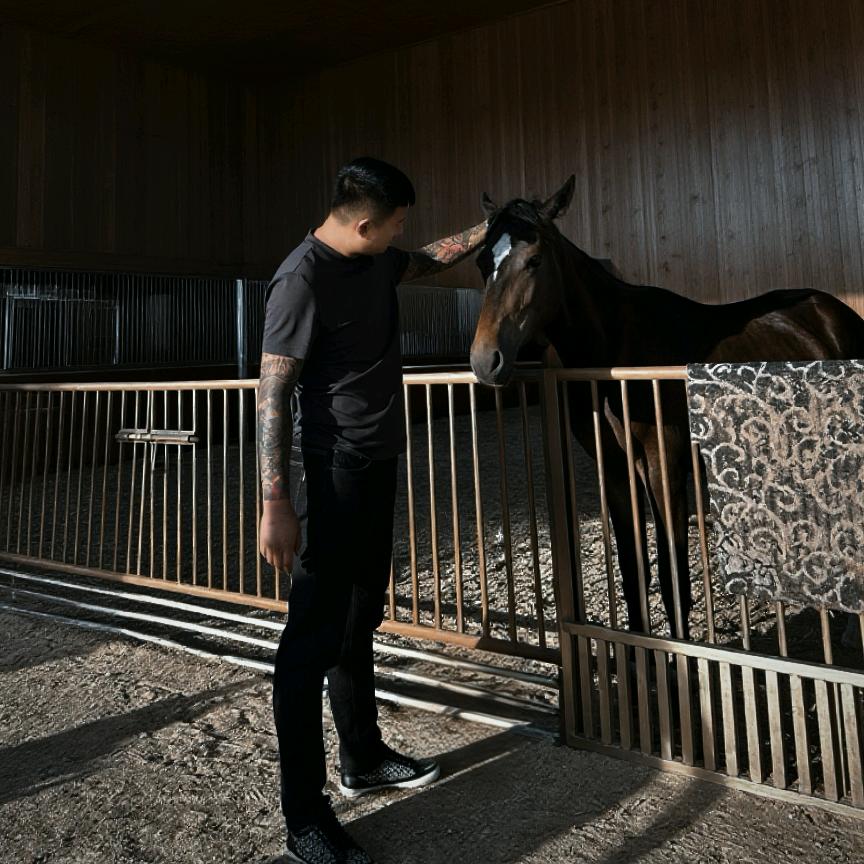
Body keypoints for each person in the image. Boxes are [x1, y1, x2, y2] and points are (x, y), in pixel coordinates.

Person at [257, 156, 487, 864]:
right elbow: (274, 392)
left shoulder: (377, 262)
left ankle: (361, 756)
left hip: (376, 464)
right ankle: (305, 819)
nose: (400, 238)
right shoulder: (302, 278)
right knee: (309, 642)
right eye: (393, 227)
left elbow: (428, 258)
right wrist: (275, 500)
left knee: (361, 611)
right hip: (329, 473)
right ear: (363, 223)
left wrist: (492, 227)